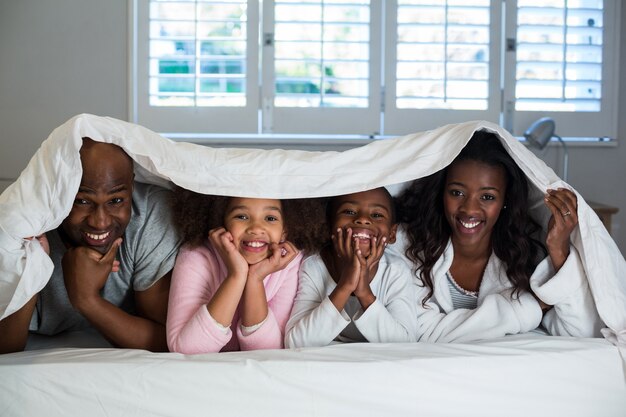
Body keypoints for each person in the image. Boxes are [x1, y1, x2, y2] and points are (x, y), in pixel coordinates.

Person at [394, 130, 603, 342]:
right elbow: (423, 332)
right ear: (441, 192)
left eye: (487, 197)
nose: (469, 209)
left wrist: (559, 250)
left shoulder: (525, 253)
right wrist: (526, 307)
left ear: (505, 200)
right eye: (457, 192)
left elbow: (581, 332)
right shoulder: (410, 245)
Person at [0, 138, 181, 354]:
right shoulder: (25, 225)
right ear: (58, 192)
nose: (100, 222)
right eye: (82, 201)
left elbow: (166, 340)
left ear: (132, 186)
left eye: (116, 201)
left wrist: (86, 299)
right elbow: (6, 349)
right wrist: (32, 266)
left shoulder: (150, 214)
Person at [166, 191, 327, 354]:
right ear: (222, 221)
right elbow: (186, 349)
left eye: (270, 218)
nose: (256, 228)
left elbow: (271, 353)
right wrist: (236, 275)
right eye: (241, 216)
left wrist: (255, 280)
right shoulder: (196, 256)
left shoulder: (289, 262)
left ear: (284, 230)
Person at [285, 187, 418, 348]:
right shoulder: (314, 266)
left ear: (391, 234)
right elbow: (296, 343)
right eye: (349, 211)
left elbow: (405, 344)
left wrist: (364, 292)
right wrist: (345, 285)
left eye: (377, 215)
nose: (363, 219)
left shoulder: (395, 271)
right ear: (329, 226)